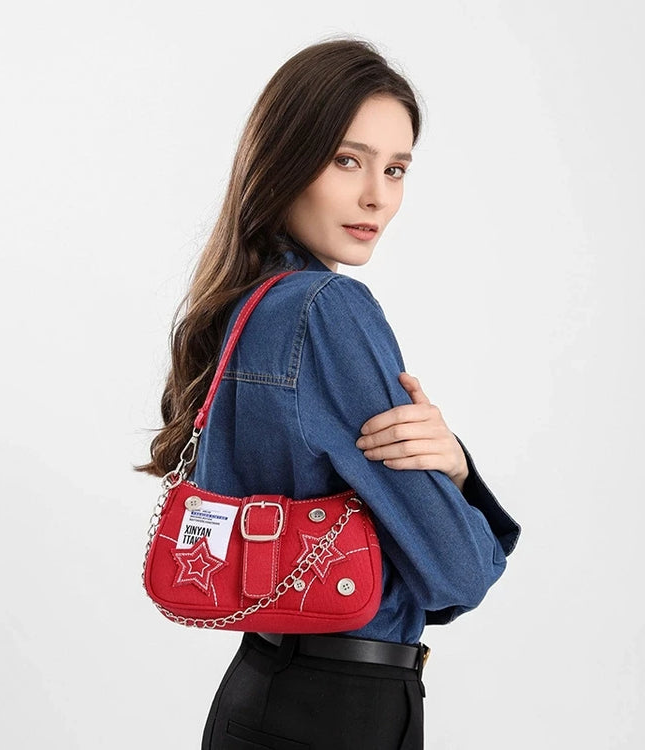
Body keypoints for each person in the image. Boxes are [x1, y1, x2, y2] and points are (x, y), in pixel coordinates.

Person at [136, 36, 521, 749]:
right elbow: (458, 574)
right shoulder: (327, 309)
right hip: (340, 713)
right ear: (286, 158)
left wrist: (450, 466)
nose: (378, 196)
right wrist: (458, 478)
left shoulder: (245, 304)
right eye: (348, 160)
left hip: (260, 691)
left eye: (396, 168)